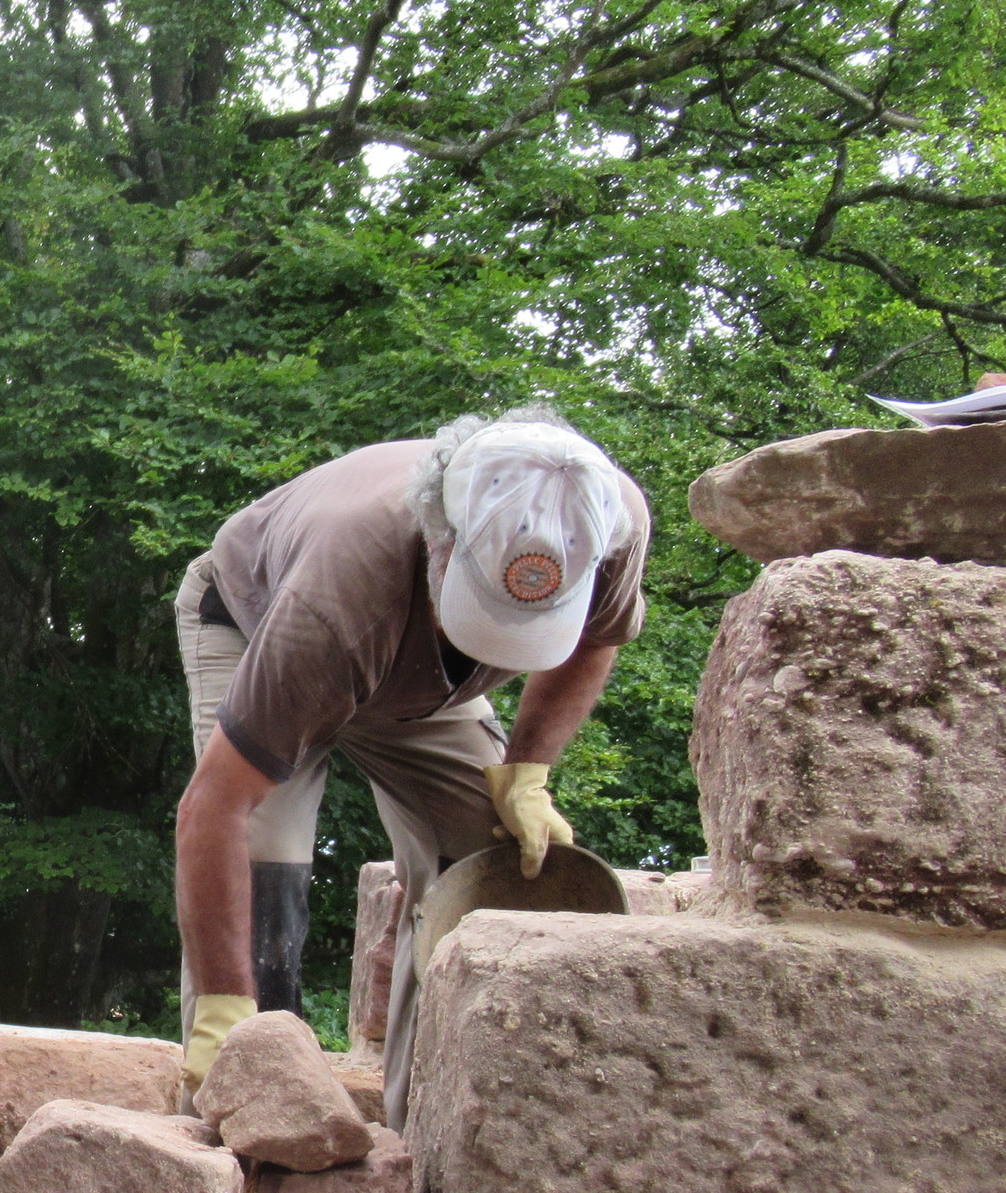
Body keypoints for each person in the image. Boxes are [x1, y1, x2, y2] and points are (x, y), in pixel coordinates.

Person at [173, 407, 651, 1126]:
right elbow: (215, 809)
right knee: (266, 862)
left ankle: (424, 1139)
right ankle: (235, 1135)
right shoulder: (333, 606)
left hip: (423, 678)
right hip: (257, 621)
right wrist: (224, 1008)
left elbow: (597, 637)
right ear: (440, 543)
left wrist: (527, 771)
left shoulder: (606, 521)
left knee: (494, 865)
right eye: (487, 611)